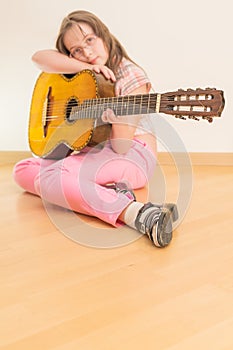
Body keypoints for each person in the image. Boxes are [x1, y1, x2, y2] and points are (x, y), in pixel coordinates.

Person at [13, 10, 178, 247]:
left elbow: (121, 146)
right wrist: (82, 65)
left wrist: (116, 119)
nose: (87, 52)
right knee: (23, 168)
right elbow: (39, 57)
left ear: (104, 35)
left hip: (134, 155)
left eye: (90, 40)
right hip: (99, 152)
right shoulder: (84, 72)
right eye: (76, 50)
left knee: (51, 177)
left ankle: (138, 214)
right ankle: (108, 193)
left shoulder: (130, 76)